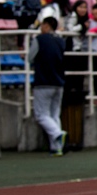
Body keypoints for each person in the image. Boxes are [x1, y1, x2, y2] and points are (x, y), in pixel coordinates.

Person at [32, 15, 67, 154]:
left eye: (42, 25)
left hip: (43, 81)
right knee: (54, 114)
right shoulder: (60, 41)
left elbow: (30, 57)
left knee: (41, 114)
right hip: (59, 81)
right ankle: (57, 147)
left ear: (46, 25)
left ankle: (57, 134)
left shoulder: (39, 40)